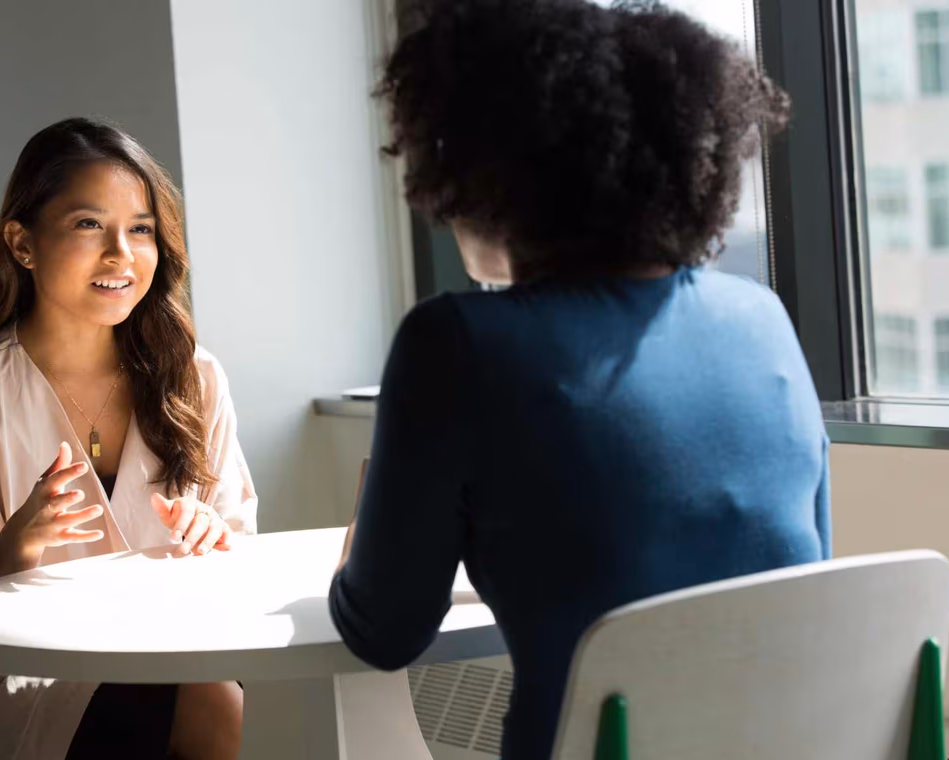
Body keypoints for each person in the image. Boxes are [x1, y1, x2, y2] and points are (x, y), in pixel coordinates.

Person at [328, 2, 830, 758]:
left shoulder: (457, 343)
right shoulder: (762, 320)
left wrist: (358, 545)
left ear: (486, 173)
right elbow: (806, 579)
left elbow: (384, 632)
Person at [0, 117, 256, 760]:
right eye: (88, 225)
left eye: (141, 229)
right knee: (208, 699)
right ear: (22, 243)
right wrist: (15, 547)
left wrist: (211, 534)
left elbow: (239, 557)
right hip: (15, 677)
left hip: (172, 651)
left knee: (230, 690)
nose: (121, 254)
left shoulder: (193, 377)